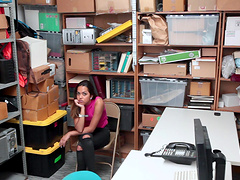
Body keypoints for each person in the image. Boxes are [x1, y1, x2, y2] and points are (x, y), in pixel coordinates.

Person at [59, 80, 110, 172]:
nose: (80, 97)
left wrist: (70, 133)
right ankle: (87, 174)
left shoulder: (98, 102)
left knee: (82, 145)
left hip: (101, 132)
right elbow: (79, 128)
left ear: (91, 96)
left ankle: (87, 173)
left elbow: (91, 128)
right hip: (84, 132)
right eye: (78, 94)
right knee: (85, 141)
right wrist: (82, 109)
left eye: (84, 94)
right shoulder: (76, 105)